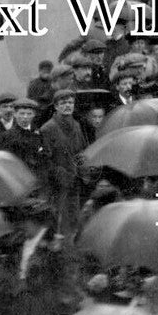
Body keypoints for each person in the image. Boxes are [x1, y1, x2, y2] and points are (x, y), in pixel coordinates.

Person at [39, 89, 88, 234]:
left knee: (74, 220)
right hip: (57, 185)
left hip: (75, 182)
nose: (68, 106)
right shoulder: (48, 129)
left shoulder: (77, 126)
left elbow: (81, 152)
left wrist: (83, 172)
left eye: (71, 102)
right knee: (59, 221)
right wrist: (60, 174)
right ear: (56, 106)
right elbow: (45, 160)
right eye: (63, 103)